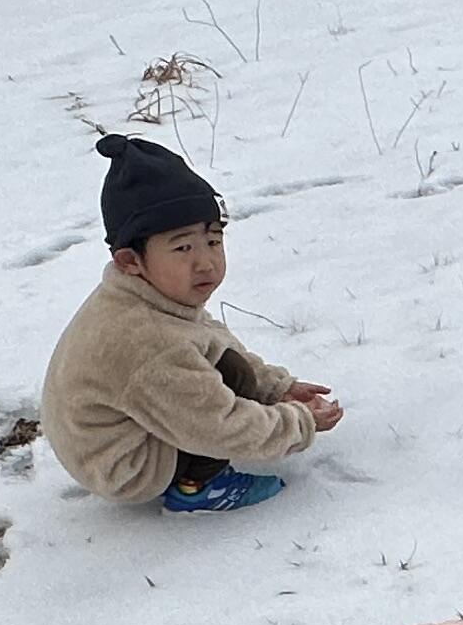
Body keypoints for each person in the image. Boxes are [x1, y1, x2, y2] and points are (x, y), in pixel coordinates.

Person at [41, 131, 341, 515]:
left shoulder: (148, 294)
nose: (206, 263)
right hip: (124, 464)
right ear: (131, 260)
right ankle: (198, 487)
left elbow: (210, 340)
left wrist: (275, 389)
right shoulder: (145, 341)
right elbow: (215, 424)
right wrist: (299, 423)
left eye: (213, 241)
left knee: (224, 367)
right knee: (204, 403)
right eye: (183, 247)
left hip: (112, 430)